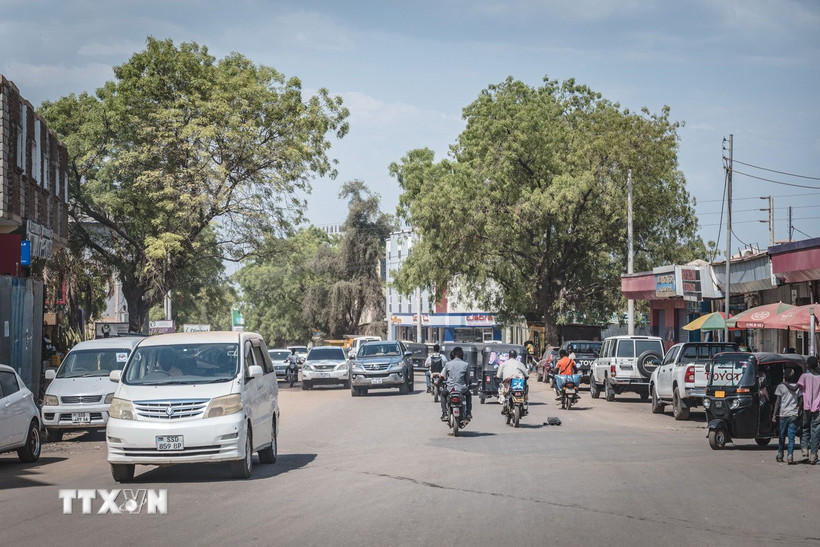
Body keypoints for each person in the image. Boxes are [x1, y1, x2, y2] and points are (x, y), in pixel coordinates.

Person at [772, 368, 802, 464]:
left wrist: (774, 415)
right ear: (793, 377)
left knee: (781, 435)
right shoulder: (798, 387)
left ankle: (780, 455)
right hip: (793, 414)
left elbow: (777, 402)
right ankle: (790, 457)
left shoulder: (781, 386)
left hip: (783, 414)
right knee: (791, 436)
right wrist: (799, 409)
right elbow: (801, 400)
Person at [797, 355, 820, 464]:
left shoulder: (804, 376)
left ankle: (804, 452)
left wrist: (799, 408)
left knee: (805, 428)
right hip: (818, 408)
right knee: (815, 431)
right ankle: (813, 455)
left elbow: (800, 393)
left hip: (806, 406)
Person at [440, 346, 472, 421]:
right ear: (461, 354)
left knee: (442, 394)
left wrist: (438, 384)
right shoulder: (466, 364)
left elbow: (442, 376)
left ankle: (444, 413)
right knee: (468, 395)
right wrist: (467, 385)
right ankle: (468, 413)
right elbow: (467, 378)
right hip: (461, 389)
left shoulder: (448, 364)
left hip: (450, 389)